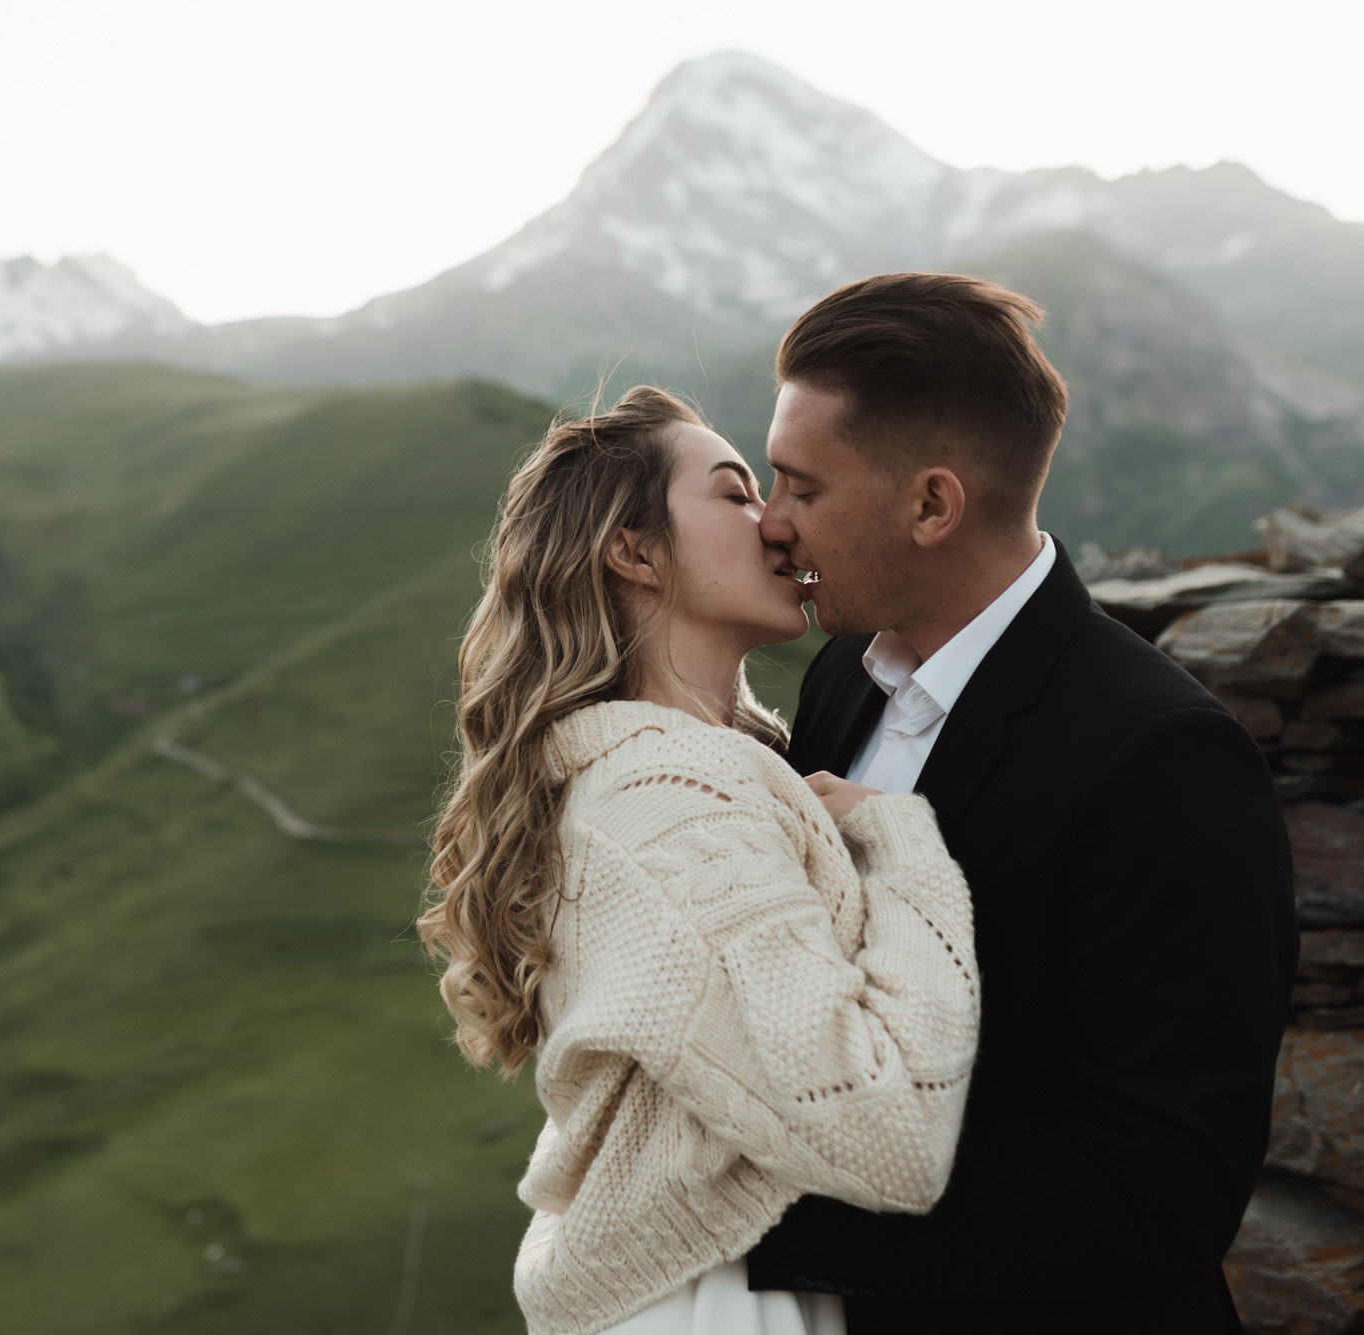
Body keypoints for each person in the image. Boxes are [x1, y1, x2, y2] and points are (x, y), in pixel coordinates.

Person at [745, 273, 1299, 1334]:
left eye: (801, 488)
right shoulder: (838, 674)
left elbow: (1158, 1185)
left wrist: (763, 1203)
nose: (772, 526)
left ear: (931, 505)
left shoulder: (1159, 757)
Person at [419, 386, 983, 1335]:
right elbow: (887, 1132)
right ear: (635, 551)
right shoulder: (664, 797)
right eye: (733, 494)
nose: (774, 523)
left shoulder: (662, 774)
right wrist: (902, 843)